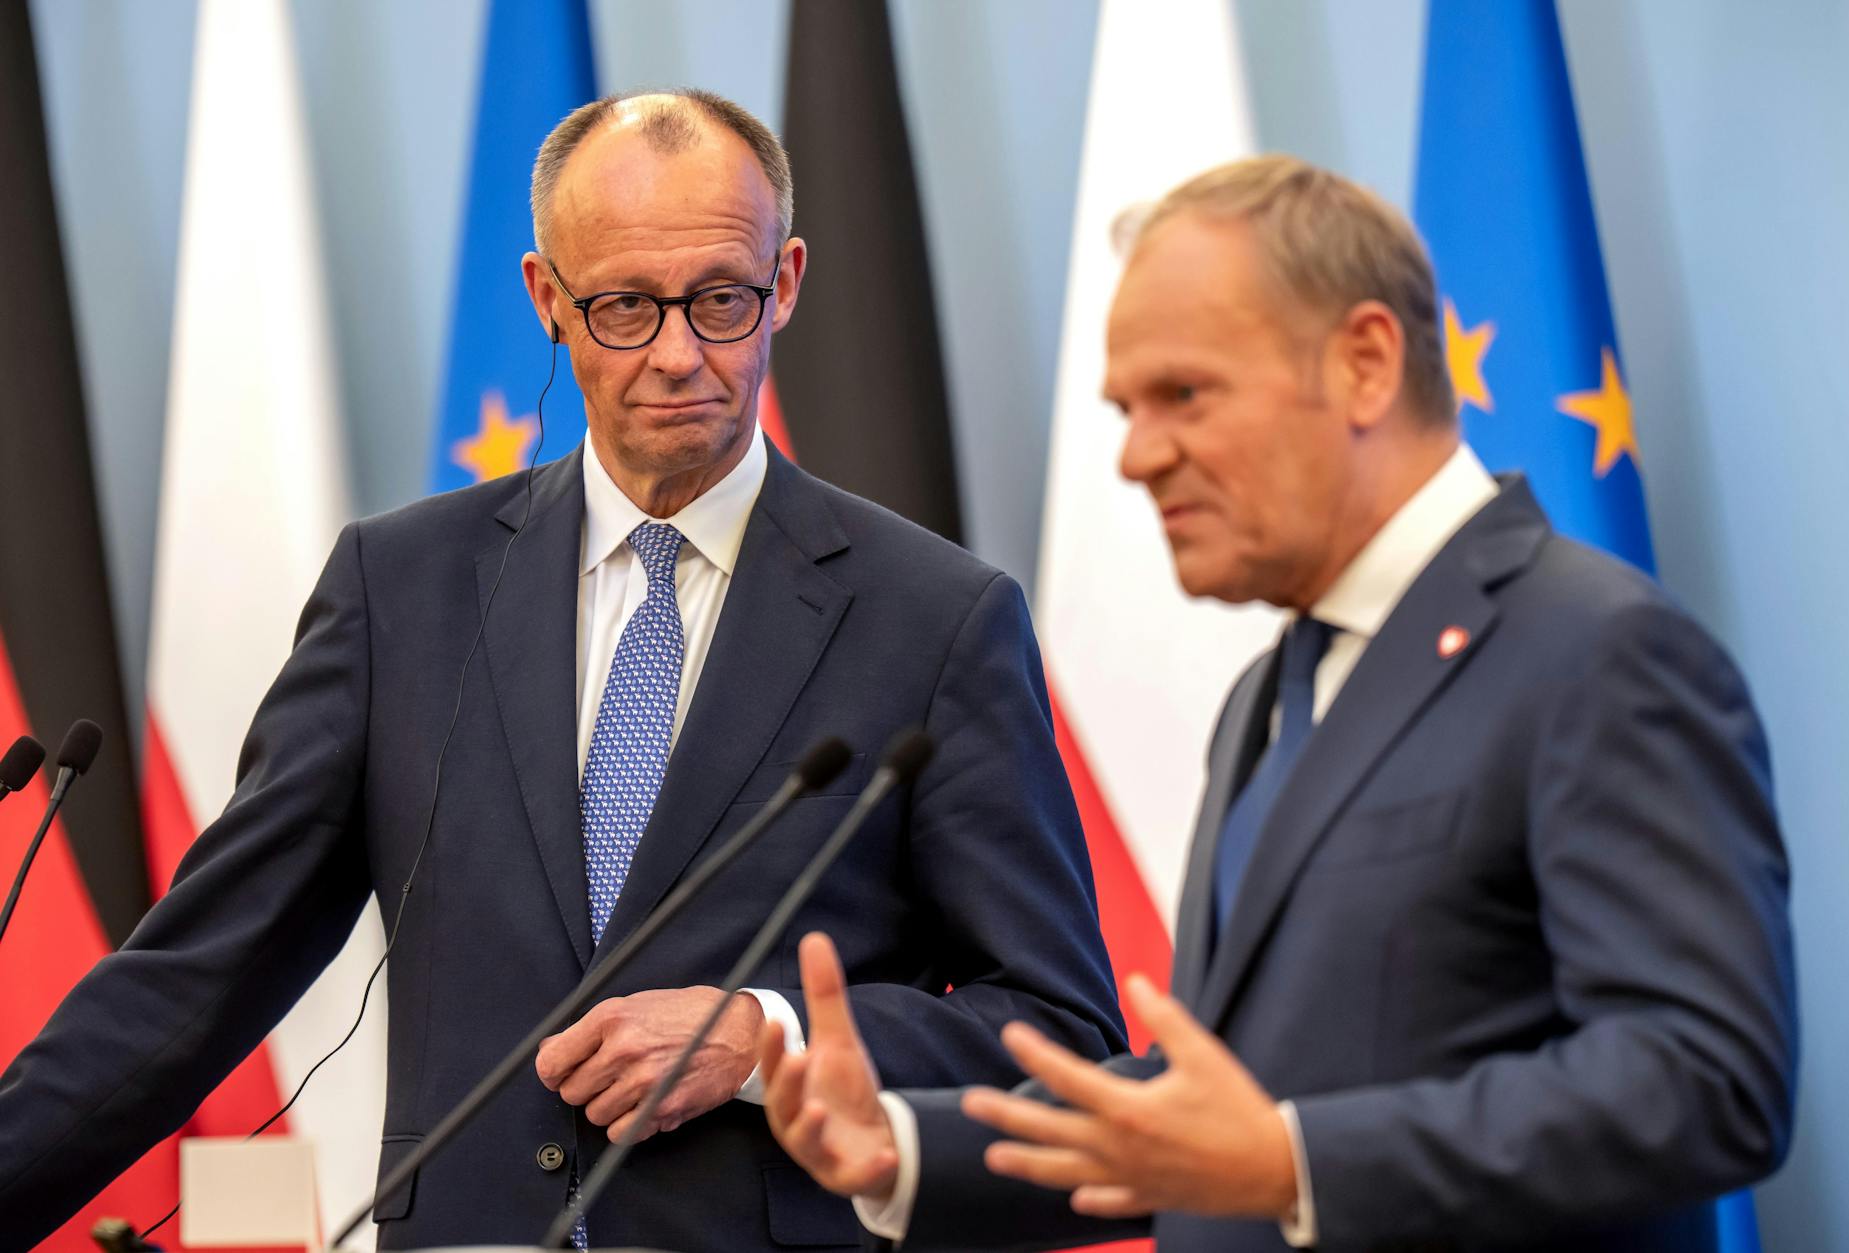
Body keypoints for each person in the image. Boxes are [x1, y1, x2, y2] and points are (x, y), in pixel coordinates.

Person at [0, 91, 1126, 1250]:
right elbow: (197, 972)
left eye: (722, 301)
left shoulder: (935, 617)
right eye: (625, 308)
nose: (679, 354)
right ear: (548, 299)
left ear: (785, 282)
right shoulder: (401, 590)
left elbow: (1059, 1034)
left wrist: (765, 1034)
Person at [761, 155, 1797, 1252]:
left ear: (1363, 362)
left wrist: (1292, 1162)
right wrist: (903, 1144)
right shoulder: (1269, 691)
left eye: (1184, 394)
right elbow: (1218, 1093)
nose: (1137, 454)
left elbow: (1702, 1075)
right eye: (1124, 407)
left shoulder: (1593, 651)